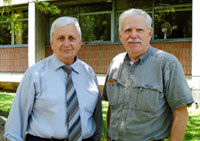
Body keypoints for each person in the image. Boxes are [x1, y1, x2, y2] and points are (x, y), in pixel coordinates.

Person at [4, 16, 103, 141]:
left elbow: (97, 118)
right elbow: (15, 126)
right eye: (60, 38)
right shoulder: (35, 74)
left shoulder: (89, 73)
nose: (66, 44)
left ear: (79, 42)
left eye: (72, 38)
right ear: (52, 43)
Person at [102, 8, 194, 141]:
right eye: (128, 30)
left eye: (139, 30)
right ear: (120, 34)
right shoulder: (115, 63)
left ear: (149, 33)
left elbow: (181, 113)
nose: (133, 35)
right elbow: (113, 107)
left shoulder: (167, 64)